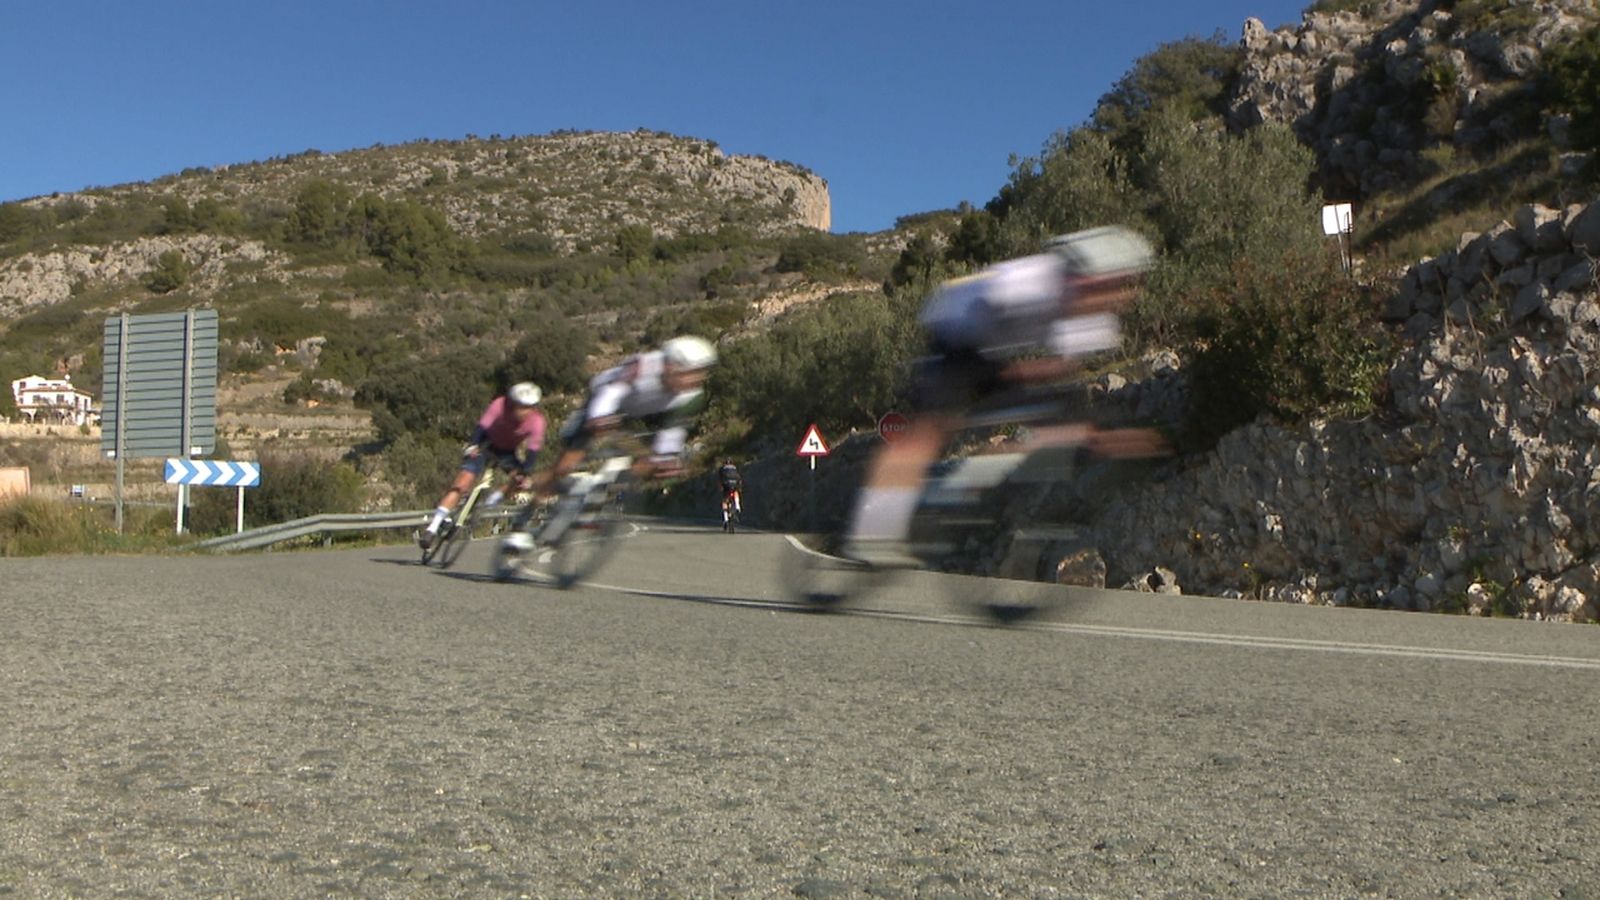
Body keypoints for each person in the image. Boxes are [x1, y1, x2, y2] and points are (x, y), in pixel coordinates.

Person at [842, 225, 1159, 565]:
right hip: (957, 329)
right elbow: (989, 336)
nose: (1112, 295)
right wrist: (995, 386)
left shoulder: (1096, 320)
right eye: (1105, 284)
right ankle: (872, 533)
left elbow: (1061, 373)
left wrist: (1085, 432)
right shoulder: (1031, 279)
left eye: (1121, 286)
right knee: (928, 431)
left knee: (1058, 417)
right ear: (1083, 273)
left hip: (998, 351)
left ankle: (970, 484)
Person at [506, 336, 719, 555]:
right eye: (692, 373)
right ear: (672, 367)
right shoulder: (643, 366)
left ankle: (592, 499)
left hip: (632, 416)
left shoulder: (692, 395)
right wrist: (600, 417)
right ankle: (521, 524)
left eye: (702, 373)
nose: (697, 380)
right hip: (600, 401)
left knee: (648, 465)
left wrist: (665, 459)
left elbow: (673, 429)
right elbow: (612, 392)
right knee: (564, 467)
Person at [418, 381, 546, 550]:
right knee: (462, 482)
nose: (523, 411)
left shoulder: (537, 421)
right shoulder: (500, 405)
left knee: (521, 481)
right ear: (512, 403)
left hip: (507, 453)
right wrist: (473, 445)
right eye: (519, 406)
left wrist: (526, 473)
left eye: (528, 407)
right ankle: (432, 528)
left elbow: (533, 450)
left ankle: (493, 500)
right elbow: (482, 426)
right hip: (485, 445)